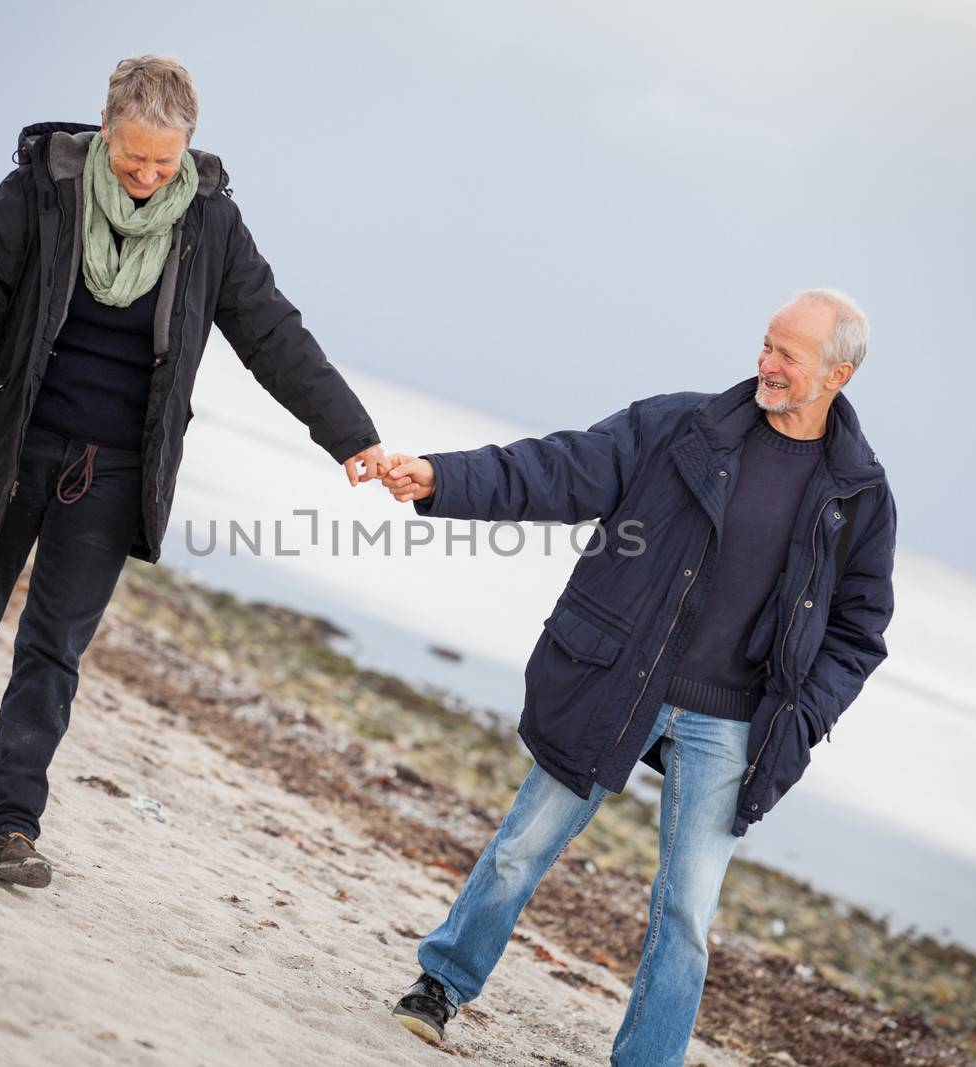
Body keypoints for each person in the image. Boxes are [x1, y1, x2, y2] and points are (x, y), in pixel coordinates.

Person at [0, 55, 388, 888]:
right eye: (132, 158)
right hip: (11, 444)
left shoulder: (211, 222)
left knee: (53, 654)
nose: (147, 177)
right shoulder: (42, 188)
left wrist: (352, 436)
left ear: (188, 146)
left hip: (115, 473)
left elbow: (274, 336)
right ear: (105, 129)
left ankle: (6, 828)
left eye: (164, 161)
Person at [378, 290, 896, 1064]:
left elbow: (858, 632)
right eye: (765, 344)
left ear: (838, 374)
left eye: (788, 354)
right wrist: (440, 479)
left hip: (736, 723)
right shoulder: (683, 429)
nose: (767, 364)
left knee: (686, 909)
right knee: (524, 845)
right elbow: (557, 469)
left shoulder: (860, 496)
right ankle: (442, 982)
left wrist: (802, 718)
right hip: (621, 679)